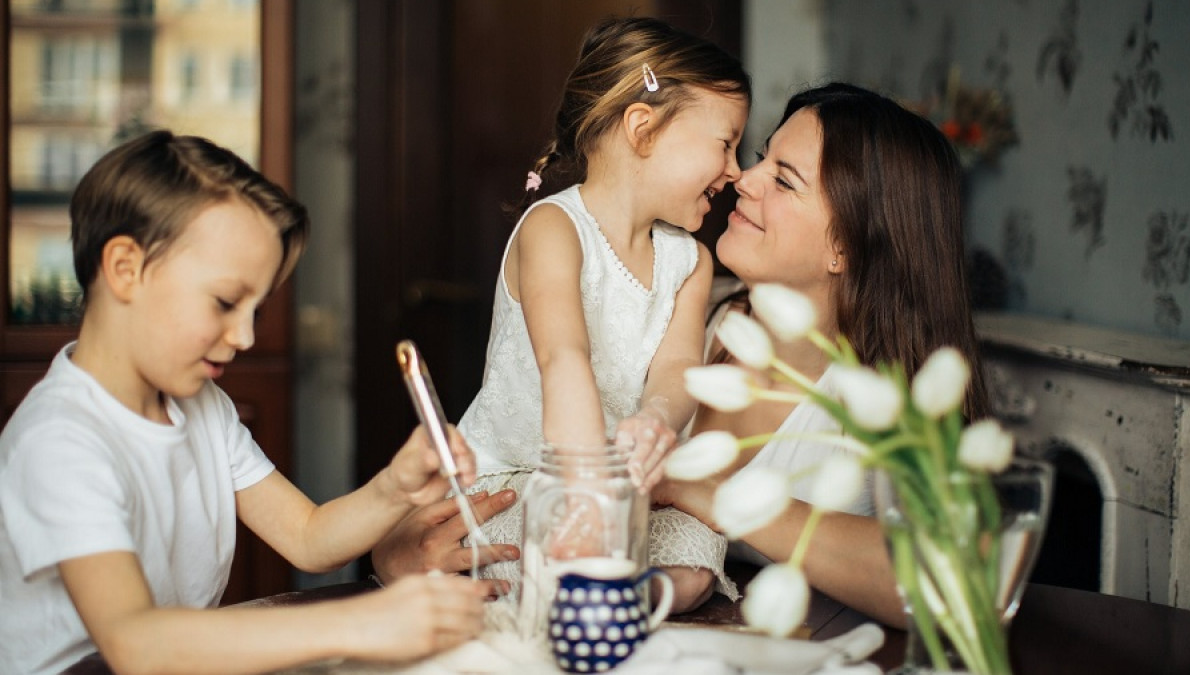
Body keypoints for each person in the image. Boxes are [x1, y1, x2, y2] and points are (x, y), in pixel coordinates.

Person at [0, 130, 490, 675]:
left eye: (255, 311)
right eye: (226, 302)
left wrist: (394, 488)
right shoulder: (60, 440)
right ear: (125, 269)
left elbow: (307, 537)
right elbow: (134, 643)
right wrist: (364, 622)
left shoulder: (202, 406)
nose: (245, 336)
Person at [653, 82, 991, 628]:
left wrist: (723, 497)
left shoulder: (889, 398)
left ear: (845, 248)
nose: (744, 176)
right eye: (763, 157)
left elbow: (953, 583)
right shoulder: (686, 311)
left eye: (784, 179)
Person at [451, 16, 750, 613]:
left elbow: (677, 370)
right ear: (643, 128)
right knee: (543, 555)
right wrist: (586, 497)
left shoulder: (690, 260)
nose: (736, 171)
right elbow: (564, 360)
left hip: (620, 491)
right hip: (518, 480)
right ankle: (584, 592)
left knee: (696, 559)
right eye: (726, 144)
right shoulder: (554, 229)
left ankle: (613, 599)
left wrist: (658, 420)